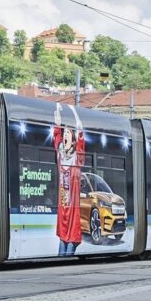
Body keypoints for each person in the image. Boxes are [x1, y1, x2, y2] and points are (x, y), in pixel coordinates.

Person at [53, 103, 85, 257]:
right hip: (63, 205)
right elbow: (56, 134)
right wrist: (58, 114)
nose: (64, 135)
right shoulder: (60, 154)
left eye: (68, 133)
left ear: (73, 140)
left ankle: (71, 245)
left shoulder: (76, 158)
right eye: (64, 133)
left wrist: (73, 112)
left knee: (68, 247)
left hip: (73, 209)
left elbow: (80, 131)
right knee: (61, 244)